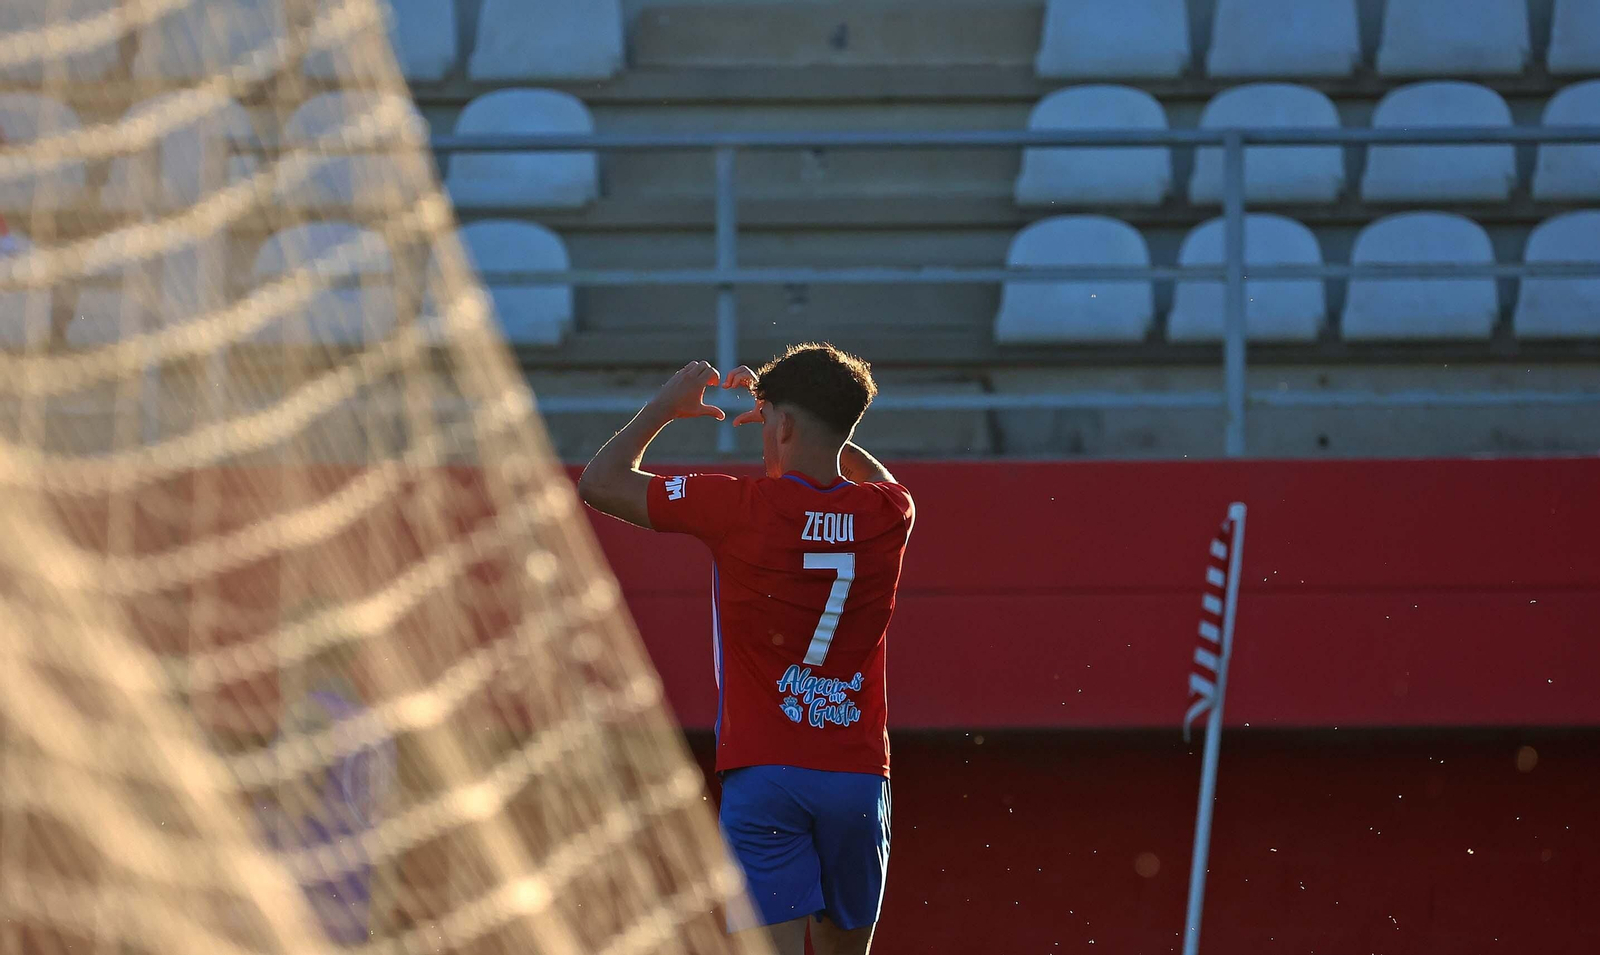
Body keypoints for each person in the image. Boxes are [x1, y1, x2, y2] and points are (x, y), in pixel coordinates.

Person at [578, 343, 914, 955]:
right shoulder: (890, 512)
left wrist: (664, 408)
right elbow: (873, 475)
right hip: (857, 775)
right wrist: (814, 421)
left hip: (766, 773)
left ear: (779, 425)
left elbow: (600, 483)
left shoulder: (739, 505)